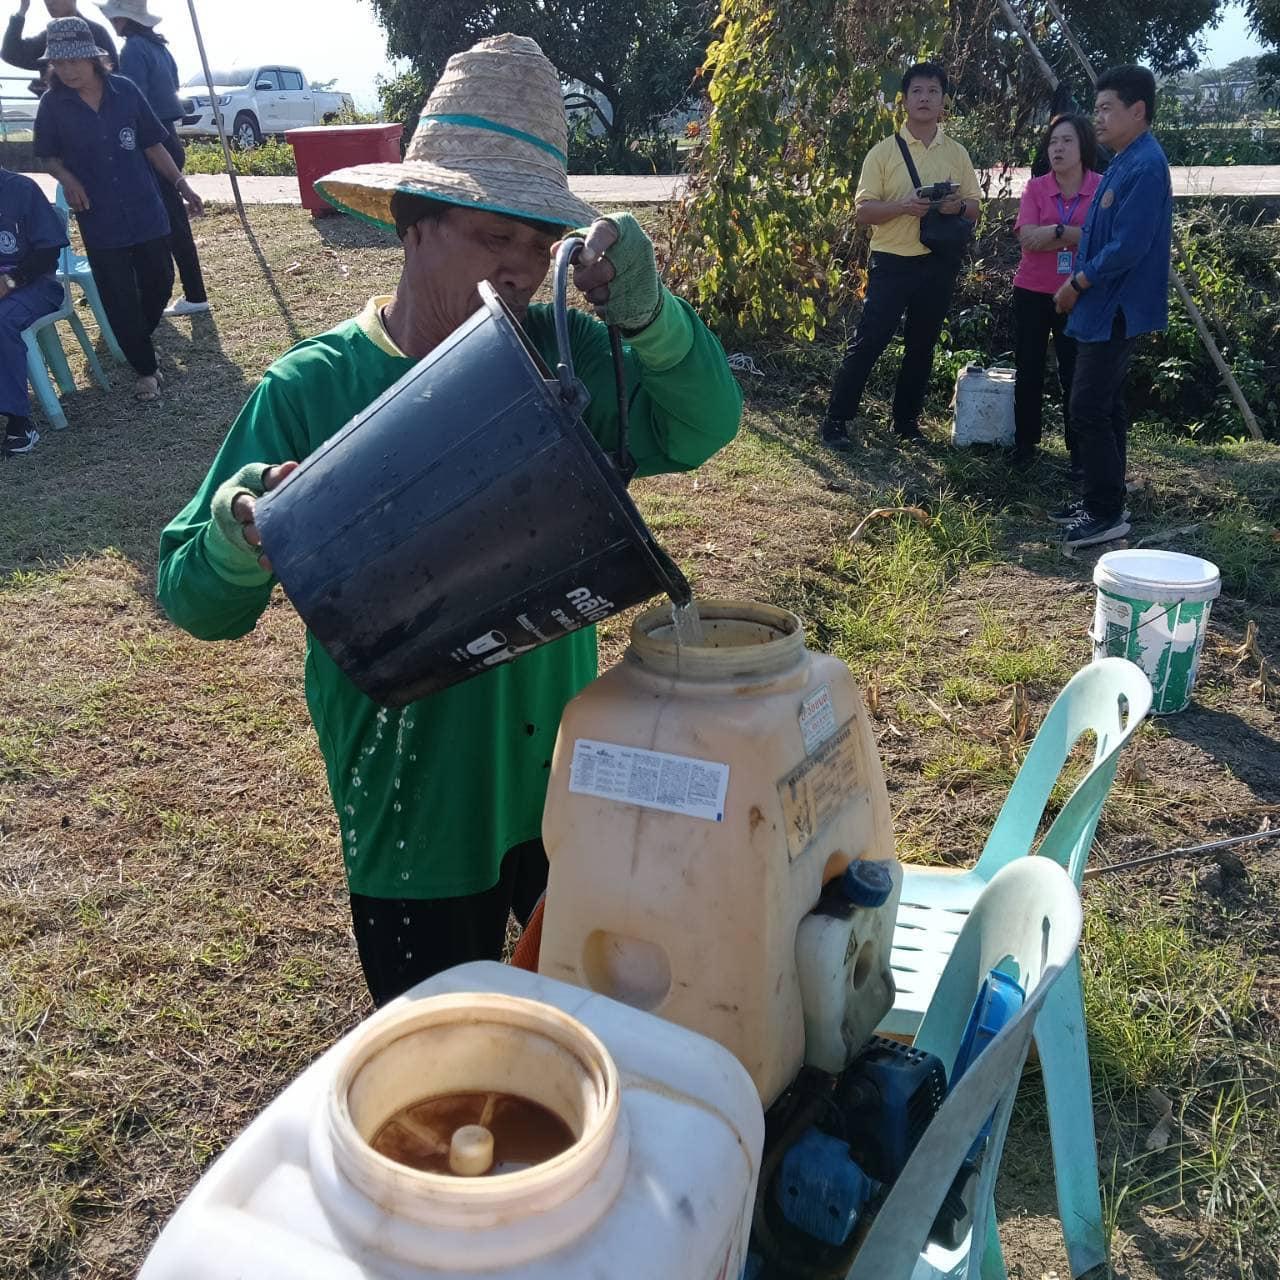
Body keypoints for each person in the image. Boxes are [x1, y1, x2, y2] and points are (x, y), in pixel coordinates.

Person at [156, 35, 742, 1008]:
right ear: (413, 223)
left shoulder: (567, 362)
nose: (517, 266)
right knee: (446, 1052)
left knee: (581, 1019)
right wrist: (237, 528)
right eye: (490, 235)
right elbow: (193, 595)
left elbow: (702, 422)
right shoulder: (315, 388)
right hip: (410, 806)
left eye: (535, 242)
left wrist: (650, 319)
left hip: (558, 781)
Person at [33, 17, 204, 402]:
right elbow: (48, 156)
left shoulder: (125, 91)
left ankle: (135, 337)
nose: (68, 70)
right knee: (118, 294)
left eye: (75, 61)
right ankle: (146, 369)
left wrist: (182, 185)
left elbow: (153, 146)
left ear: (95, 59)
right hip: (100, 215)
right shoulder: (53, 105)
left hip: (146, 208)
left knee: (160, 279)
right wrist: (68, 180)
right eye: (59, 64)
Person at [822, 61, 981, 449]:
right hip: (892, 260)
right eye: (917, 92)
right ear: (905, 101)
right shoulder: (883, 153)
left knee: (922, 345)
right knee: (870, 340)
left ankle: (906, 424)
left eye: (932, 91)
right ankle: (836, 421)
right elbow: (863, 212)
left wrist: (954, 208)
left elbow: (974, 206)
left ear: (944, 101)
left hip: (938, 260)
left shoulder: (956, 152)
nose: (925, 98)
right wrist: (902, 206)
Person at [1052, 66, 1172, 549]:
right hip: (1103, 306)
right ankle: (1105, 500)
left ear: (1137, 111)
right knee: (1106, 407)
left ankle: (1104, 514)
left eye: (1107, 109)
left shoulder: (1144, 165)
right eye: (1096, 108)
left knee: (1088, 407)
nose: (1097, 119)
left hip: (1115, 307)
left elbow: (1128, 246)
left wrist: (1077, 283)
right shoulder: (1125, 159)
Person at [99, 0, 209, 316]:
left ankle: (192, 292)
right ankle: (191, 290)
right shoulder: (158, 47)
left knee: (167, 221)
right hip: (169, 135)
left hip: (150, 141)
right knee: (171, 217)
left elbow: (132, 101)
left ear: (121, 19)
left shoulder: (133, 49)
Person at [1010, 113, 1101, 467]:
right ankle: (1025, 445)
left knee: (1075, 371)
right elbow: (1028, 239)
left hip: (1079, 291)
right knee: (1028, 367)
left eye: (1067, 141)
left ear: (1083, 147)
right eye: (1053, 142)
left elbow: (1103, 241)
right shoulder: (1036, 187)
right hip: (1032, 289)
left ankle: (1078, 451)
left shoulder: (1101, 187)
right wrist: (1073, 233)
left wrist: (1055, 231)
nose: (1058, 149)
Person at [0, 166, 68, 457]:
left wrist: (11, 281)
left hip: (35, 285)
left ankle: (19, 422)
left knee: (2, 320)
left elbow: (48, 252)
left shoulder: (22, 189)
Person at [2, 0, 116, 91]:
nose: (49, 2)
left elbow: (114, 73)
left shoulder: (97, 33)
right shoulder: (49, 37)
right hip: (58, 111)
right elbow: (10, 53)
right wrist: (21, 12)